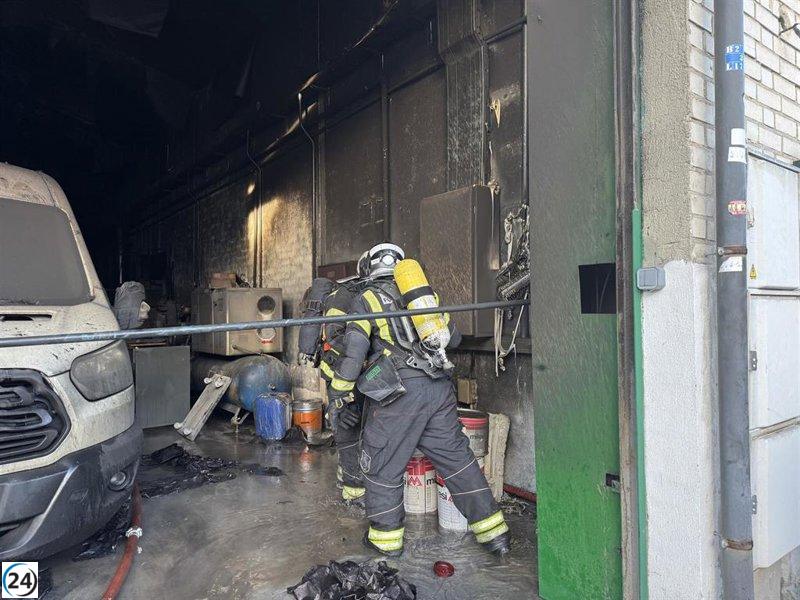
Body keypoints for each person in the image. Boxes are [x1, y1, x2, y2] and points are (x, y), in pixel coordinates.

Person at [327, 243, 511, 557]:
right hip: (438, 388)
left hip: (400, 393)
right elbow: (452, 338)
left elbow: (354, 353)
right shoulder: (425, 298)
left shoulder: (366, 299)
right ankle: (494, 534)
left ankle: (386, 542)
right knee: (456, 460)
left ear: (369, 269)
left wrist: (340, 392)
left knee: (381, 462)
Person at [297, 258, 370, 506]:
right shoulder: (354, 297)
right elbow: (343, 342)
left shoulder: (337, 298)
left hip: (340, 373)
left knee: (346, 426)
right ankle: (353, 490)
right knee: (350, 427)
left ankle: (348, 479)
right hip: (351, 373)